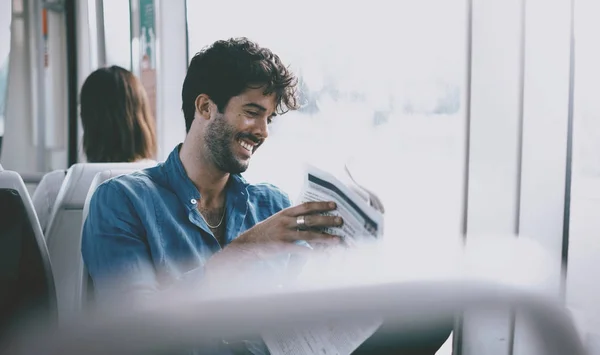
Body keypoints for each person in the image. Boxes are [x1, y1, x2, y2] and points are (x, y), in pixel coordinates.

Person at [81, 38, 450, 354]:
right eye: (252, 113)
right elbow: (132, 332)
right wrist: (246, 250)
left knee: (433, 311)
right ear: (206, 107)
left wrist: (350, 254)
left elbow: (304, 312)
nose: (262, 132)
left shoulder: (271, 204)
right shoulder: (122, 201)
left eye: (268, 119)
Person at [32, 66, 157, 232]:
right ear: (142, 119)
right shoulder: (166, 184)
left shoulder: (54, 188)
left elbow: (24, 250)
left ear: (87, 122)